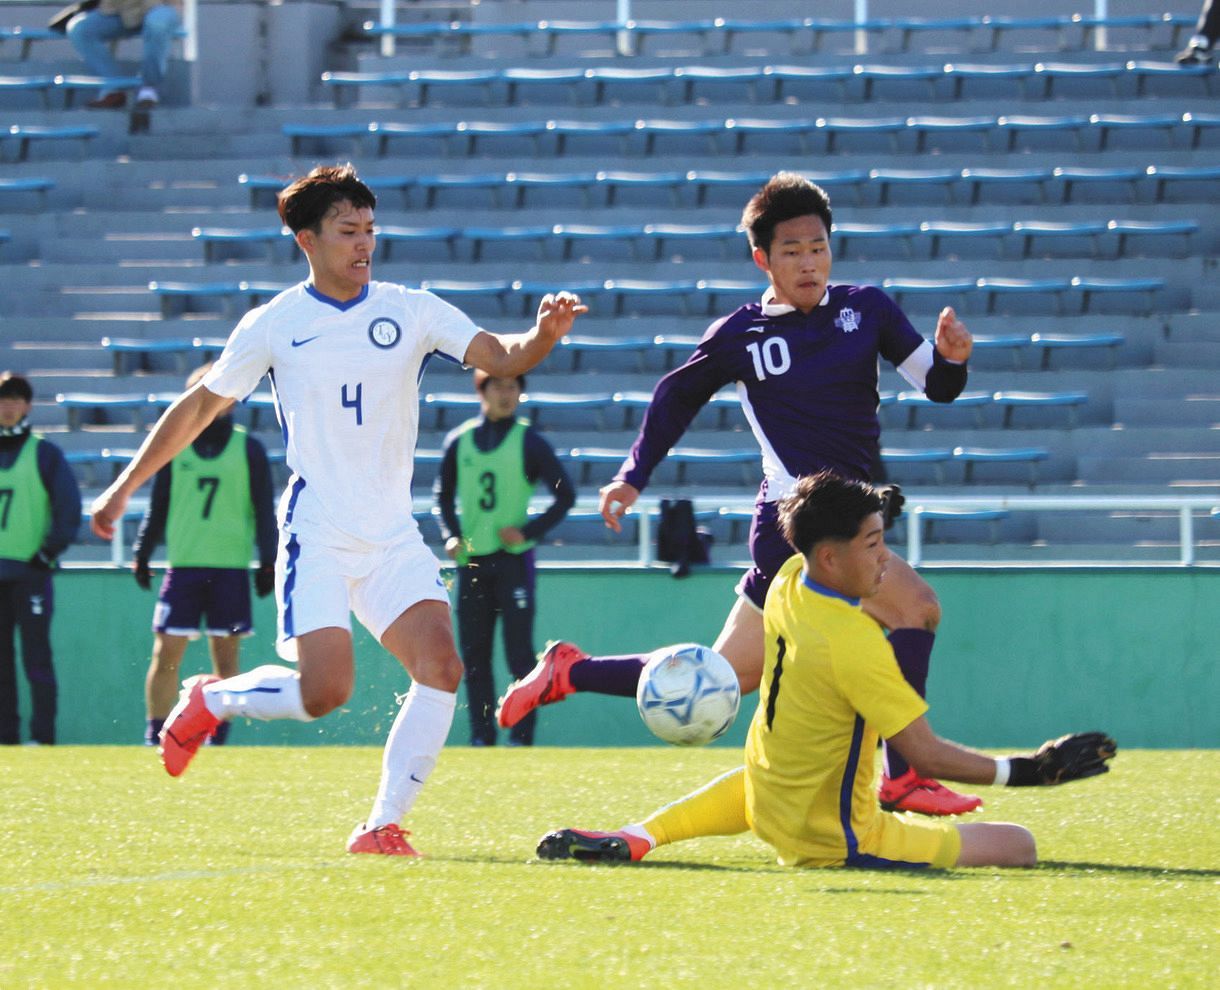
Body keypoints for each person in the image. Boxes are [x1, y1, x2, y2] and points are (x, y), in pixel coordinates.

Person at [90, 163, 587, 856]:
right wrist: (123, 487)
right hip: (318, 530)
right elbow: (200, 407)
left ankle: (381, 824)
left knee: (442, 669)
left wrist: (542, 338)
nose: (364, 244)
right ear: (307, 241)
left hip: (391, 537)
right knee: (326, 693)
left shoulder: (410, 308)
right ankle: (212, 698)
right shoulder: (275, 323)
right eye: (348, 231)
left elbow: (500, 355)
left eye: (371, 231)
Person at [497, 171, 981, 815]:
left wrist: (953, 359)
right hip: (797, 526)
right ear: (763, 258)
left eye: (817, 247)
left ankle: (570, 670)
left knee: (725, 679)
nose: (808, 262)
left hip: (846, 521)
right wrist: (633, 475)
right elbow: (676, 396)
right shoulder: (742, 334)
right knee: (914, 608)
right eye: (791, 251)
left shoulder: (868, 309)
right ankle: (904, 776)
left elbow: (937, 386)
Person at [537, 471, 1117, 870]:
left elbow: (812, 517)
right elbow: (924, 756)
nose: (886, 555)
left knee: (769, 783)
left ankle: (640, 836)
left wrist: (867, 508)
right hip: (835, 839)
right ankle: (649, 835)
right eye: (873, 543)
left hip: (767, 793)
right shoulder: (856, 646)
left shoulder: (791, 580)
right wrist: (1031, 771)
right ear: (831, 556)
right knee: (1021, 845)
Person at [131, 363, 278, 747]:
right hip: (183, 568)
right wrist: (143, 551)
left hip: (229, 570)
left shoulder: (249, 448)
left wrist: (268, 560)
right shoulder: (176, 444)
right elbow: (158, 505)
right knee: (165, 654)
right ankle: (156, 735)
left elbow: (264, 509)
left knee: (226, 661)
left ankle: (219, 739)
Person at [435, 369, 576, 747]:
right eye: (497, 386)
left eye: (512, 386)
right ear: (482, 390)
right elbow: (442, 496)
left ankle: (521, 737)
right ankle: (482, 737)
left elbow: (566, 494)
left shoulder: (529, 441)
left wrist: (528, 532)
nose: (505, 394)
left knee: (519, 656)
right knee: (474, 659)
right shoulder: (459, 441)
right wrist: (450, 535)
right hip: (473, 563)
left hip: (514, 561)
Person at [0, 372, 82, 746]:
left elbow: (69, 508)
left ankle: (43, 738)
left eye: (16, 399)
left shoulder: (43, 453)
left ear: (28, 406)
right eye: (3, 398)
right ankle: (6, 738)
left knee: (36, 659)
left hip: (30, 573)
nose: (9, 405)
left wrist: (47, 552)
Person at [67, 0, 182, 111]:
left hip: (162, 6)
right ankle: (114, 90)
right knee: (79, 29)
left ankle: (148, 90)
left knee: (157, 24)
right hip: (118, 10)